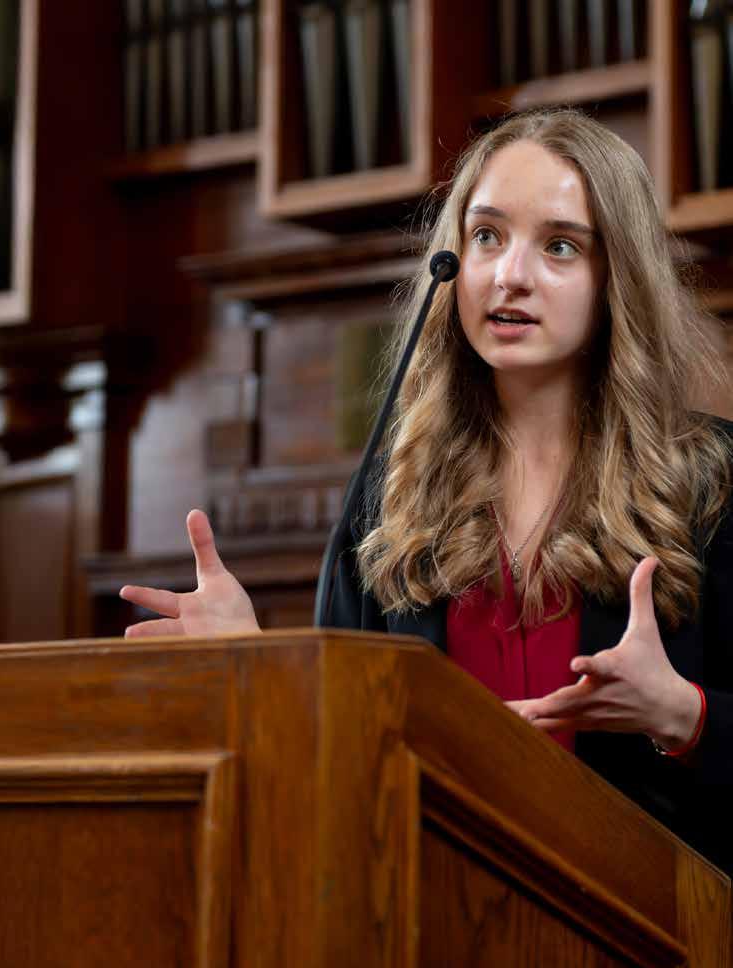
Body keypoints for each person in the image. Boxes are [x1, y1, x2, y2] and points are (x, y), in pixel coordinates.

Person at [120, 107, 733, 873]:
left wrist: (685, 715)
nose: (509, 275)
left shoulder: (712, 480)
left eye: (560, 246)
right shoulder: (388, 494)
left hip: (645, 923)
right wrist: (259, 665)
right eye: (486, 236)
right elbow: (343, 758)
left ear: (618, 277)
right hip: (428, 907)